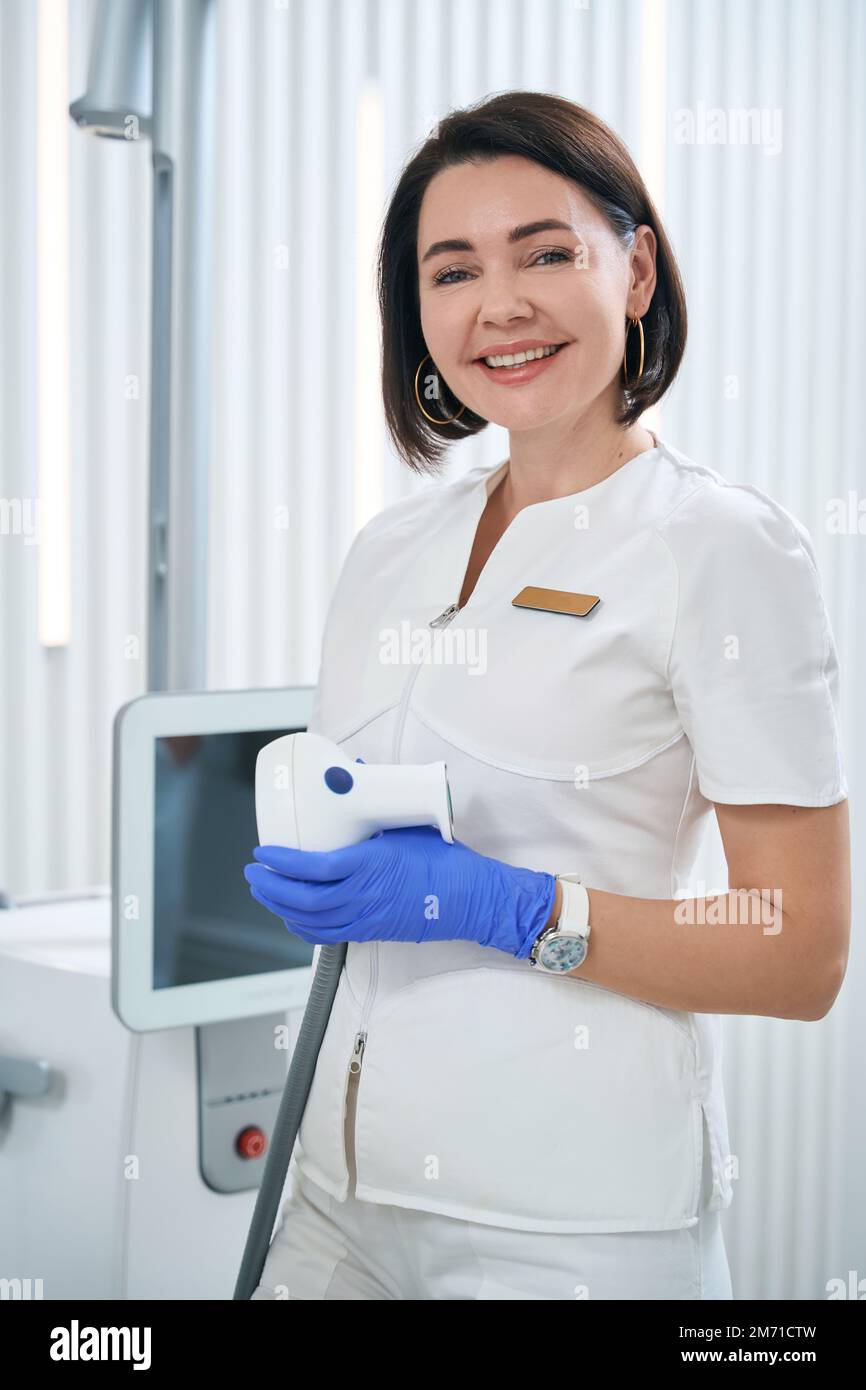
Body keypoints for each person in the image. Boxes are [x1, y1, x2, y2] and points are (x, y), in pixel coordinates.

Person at [244, 91, 850, 1300]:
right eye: (451, 269)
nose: (499, 304)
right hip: (333, 1197)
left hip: (568, 1229)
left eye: (545, 252)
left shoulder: (716, 549)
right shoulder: (389, 549)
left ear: (635, 271)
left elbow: (798, 950)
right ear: (416, 314)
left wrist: (512, 906)